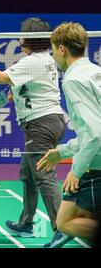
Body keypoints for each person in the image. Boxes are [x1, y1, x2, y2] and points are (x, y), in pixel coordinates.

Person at [0, 17, 71, 248]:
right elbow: (33, 85)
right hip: (49, 120)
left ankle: (61, 228)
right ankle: (27, 222)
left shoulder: (31, 63)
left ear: (28, 39)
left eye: (22, 35)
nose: (19, 38)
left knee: (43, 176)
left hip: (41, 125)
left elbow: (1, 77)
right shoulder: (43, 59)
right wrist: (18, 93)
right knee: (28, 174)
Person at [37, 22, 101, 247]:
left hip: (95, 166)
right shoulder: (96, 71)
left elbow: (94, 133)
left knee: (65, 222)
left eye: (53, 49)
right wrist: (63, 151)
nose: (53, 55)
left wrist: (76, 170)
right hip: (94, 159)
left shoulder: (73, 80)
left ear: (61, 49)